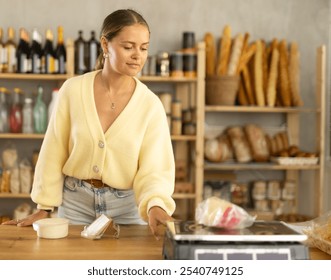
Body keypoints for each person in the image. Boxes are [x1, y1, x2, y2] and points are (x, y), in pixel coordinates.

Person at [2, 9, 176, 239]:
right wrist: (44, 207)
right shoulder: (72, 90)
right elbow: (54, 150)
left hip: (127, 209)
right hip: (74, 204)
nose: (137, 55)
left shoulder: (151, 105)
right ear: (105, 45)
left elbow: (155, 169)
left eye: (143, 48)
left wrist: (156, 205)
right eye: (128, 46)